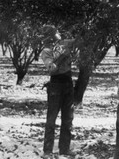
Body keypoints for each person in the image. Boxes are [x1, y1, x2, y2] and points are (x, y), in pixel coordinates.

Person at [40, 26, 76, 158]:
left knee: (68, 118)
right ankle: (47, 151)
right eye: (56, 33)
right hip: (55, 85)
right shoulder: (46, 51)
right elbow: (52, 69)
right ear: (51, 36)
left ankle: (64, 149)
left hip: (68, 83)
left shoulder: (65, 44)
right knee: (51, 119)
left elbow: (78, 42)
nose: (59, 34)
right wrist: (62, 57)